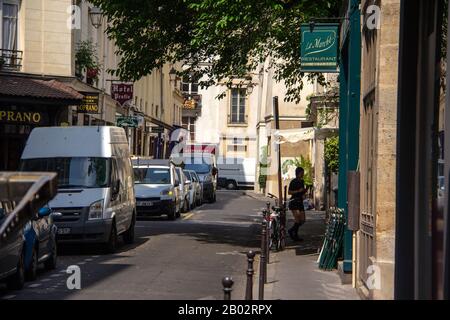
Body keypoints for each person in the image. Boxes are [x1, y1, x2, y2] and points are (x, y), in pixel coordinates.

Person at [288, 167, 307, 241]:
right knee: (297, 219)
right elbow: (289, 192)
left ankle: (291, 230)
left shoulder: (302, 181)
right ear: (298, 173)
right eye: (302, 172)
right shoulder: (293, 181)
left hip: (300, 202)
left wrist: (305, 191)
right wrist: (298, 191)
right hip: (294, 202)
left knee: (303, 220)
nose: (303, 174)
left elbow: (301, 191)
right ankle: (295, 235)